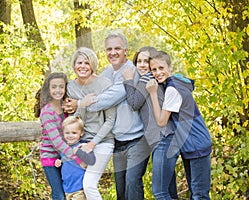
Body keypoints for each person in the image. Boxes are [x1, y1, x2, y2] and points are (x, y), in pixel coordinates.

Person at [80, 32, 150, 200]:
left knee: (133, 185)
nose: (113, 52)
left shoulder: (132, 72)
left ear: (125, 50)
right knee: (121, 189)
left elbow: (105, 100)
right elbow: (89, 90)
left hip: (137, 139)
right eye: (109, 49)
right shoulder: (105, 74)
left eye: (117, 48)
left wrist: (81, 103)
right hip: (117, 141)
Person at [146, 51, 212, 199]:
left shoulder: (172, 89)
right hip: (191, 145)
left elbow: (161, 121)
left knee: (199, 194)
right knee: (195, 192)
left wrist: (153, 93)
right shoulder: (177, 81)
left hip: (197, 144)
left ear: (170, 67)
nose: (158, 73)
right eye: (154, 70)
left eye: (161, 68)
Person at [122, 46, 178, 199]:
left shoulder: (147, 78)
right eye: (138, 61)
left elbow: (134, 103)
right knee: (169, 187)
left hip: (162, 137)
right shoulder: (153, 80)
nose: (141, 65)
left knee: (161, 191)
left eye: (146, 61)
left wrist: (127, 80)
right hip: (164, 137)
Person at [66, 47, 116, 200]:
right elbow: (75, 120)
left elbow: (110, 120)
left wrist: (92, 144)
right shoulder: (71, 87)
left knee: (89, 184)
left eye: (87, 63)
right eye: (79, 62)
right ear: (74, 65)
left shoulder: (104, 84)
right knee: (76, 186)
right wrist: (82, 104)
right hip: (80, 142)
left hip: (102, 142)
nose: (83, 66)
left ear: (93, 65)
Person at [35, 72, 84, 200]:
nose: (58, 90)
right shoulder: (47, 112)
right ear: (48, 89)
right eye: (54, 87)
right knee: (59, 195)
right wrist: (77, 158)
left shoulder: (66, 108)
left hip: (64, 157)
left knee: (71, 191)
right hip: (50, 158)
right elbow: (57, 142)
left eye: (61, 87)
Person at [55, 116, 96, 200]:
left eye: (74, 133)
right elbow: (65, 161)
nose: (70, 135)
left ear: (81, 133)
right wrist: (59, 162)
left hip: (79, 188)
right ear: (63, 133)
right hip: (67, 188)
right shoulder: (64, 148)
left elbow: (90, 162)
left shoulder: (82, 147)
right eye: (67, 133)